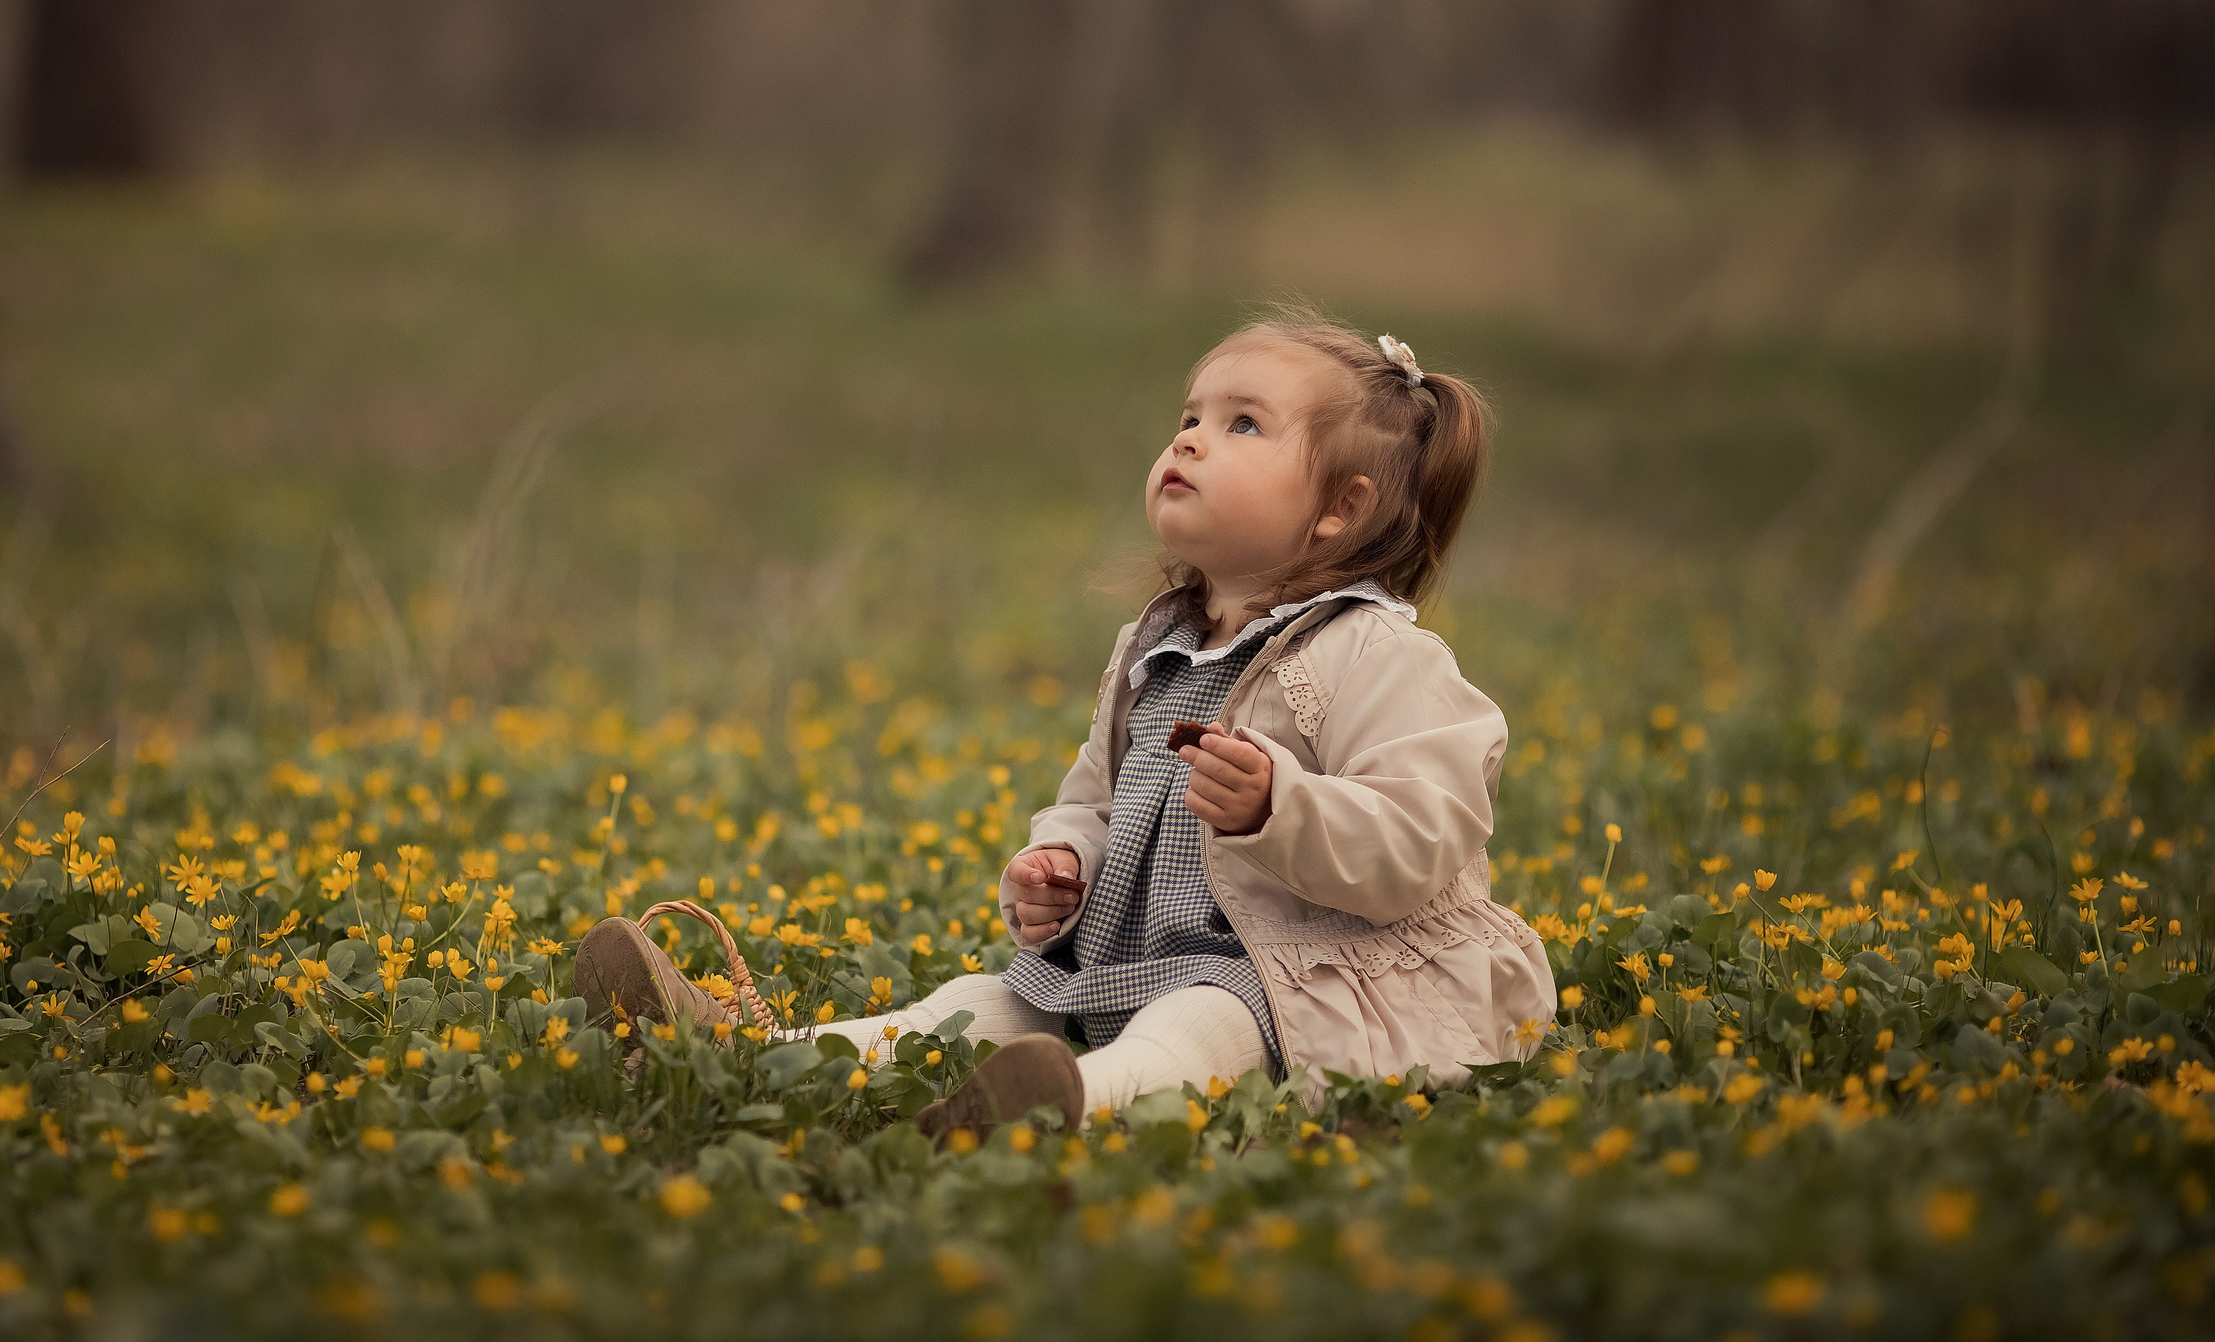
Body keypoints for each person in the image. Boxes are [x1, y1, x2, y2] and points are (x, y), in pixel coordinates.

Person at [578, 304, 1554, 1138]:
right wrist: (1061, 862)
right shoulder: (1156, 644)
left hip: (1289, 980)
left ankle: (1069, 1104)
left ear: (1341, 508)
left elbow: (1425, 835)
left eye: (1243, 424)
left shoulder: (1373, 654)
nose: (1189, 440)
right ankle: (749, 1050)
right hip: (1126, 956)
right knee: (980, 1000)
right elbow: (1096, 799)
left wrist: (1279, 807)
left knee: (1201, 1022)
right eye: (1189, 417)